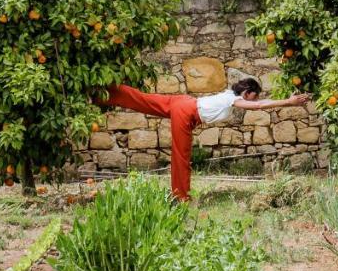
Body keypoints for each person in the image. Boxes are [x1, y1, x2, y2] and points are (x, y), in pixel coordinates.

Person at [98, 78, 311, 201]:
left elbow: (258, 103)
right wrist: (289, 102)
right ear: (247, 92)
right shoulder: (233, 99)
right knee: (182, 157)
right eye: (254, 95)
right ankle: (181, 197)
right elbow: (259, 106)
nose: (255, 99)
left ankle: (104, 91)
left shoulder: (229, 95)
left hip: (183, 102)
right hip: (186, 110)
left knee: (142, 99)